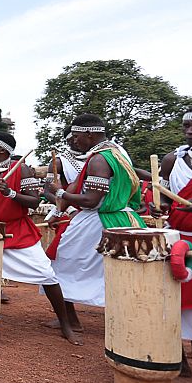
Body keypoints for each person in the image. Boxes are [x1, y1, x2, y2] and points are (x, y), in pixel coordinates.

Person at [0, 131, 82, 345]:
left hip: (17, 231)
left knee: (47, 274)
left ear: (2, 150)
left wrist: (10, 193)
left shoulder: (21, 169)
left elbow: (34, 202)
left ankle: (65, 324)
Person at [48, 115, 144, 332]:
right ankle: (129, 322)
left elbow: (90, 199)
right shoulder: (118, 153)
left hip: (98, 221)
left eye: (76, 136)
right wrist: (58, 209)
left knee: (58, 266)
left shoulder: (99, 159)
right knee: (123, 271)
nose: (74, 141)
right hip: (124, 219)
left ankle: (72, 321)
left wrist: (59, 192)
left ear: (89, 134)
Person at [158, 106, 192, 377]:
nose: (190, 131)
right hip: (179, 239)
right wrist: (160, 207)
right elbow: (164, 195)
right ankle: (178, 358)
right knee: (175, 298)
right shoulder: (172, 159)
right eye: (186, 126)